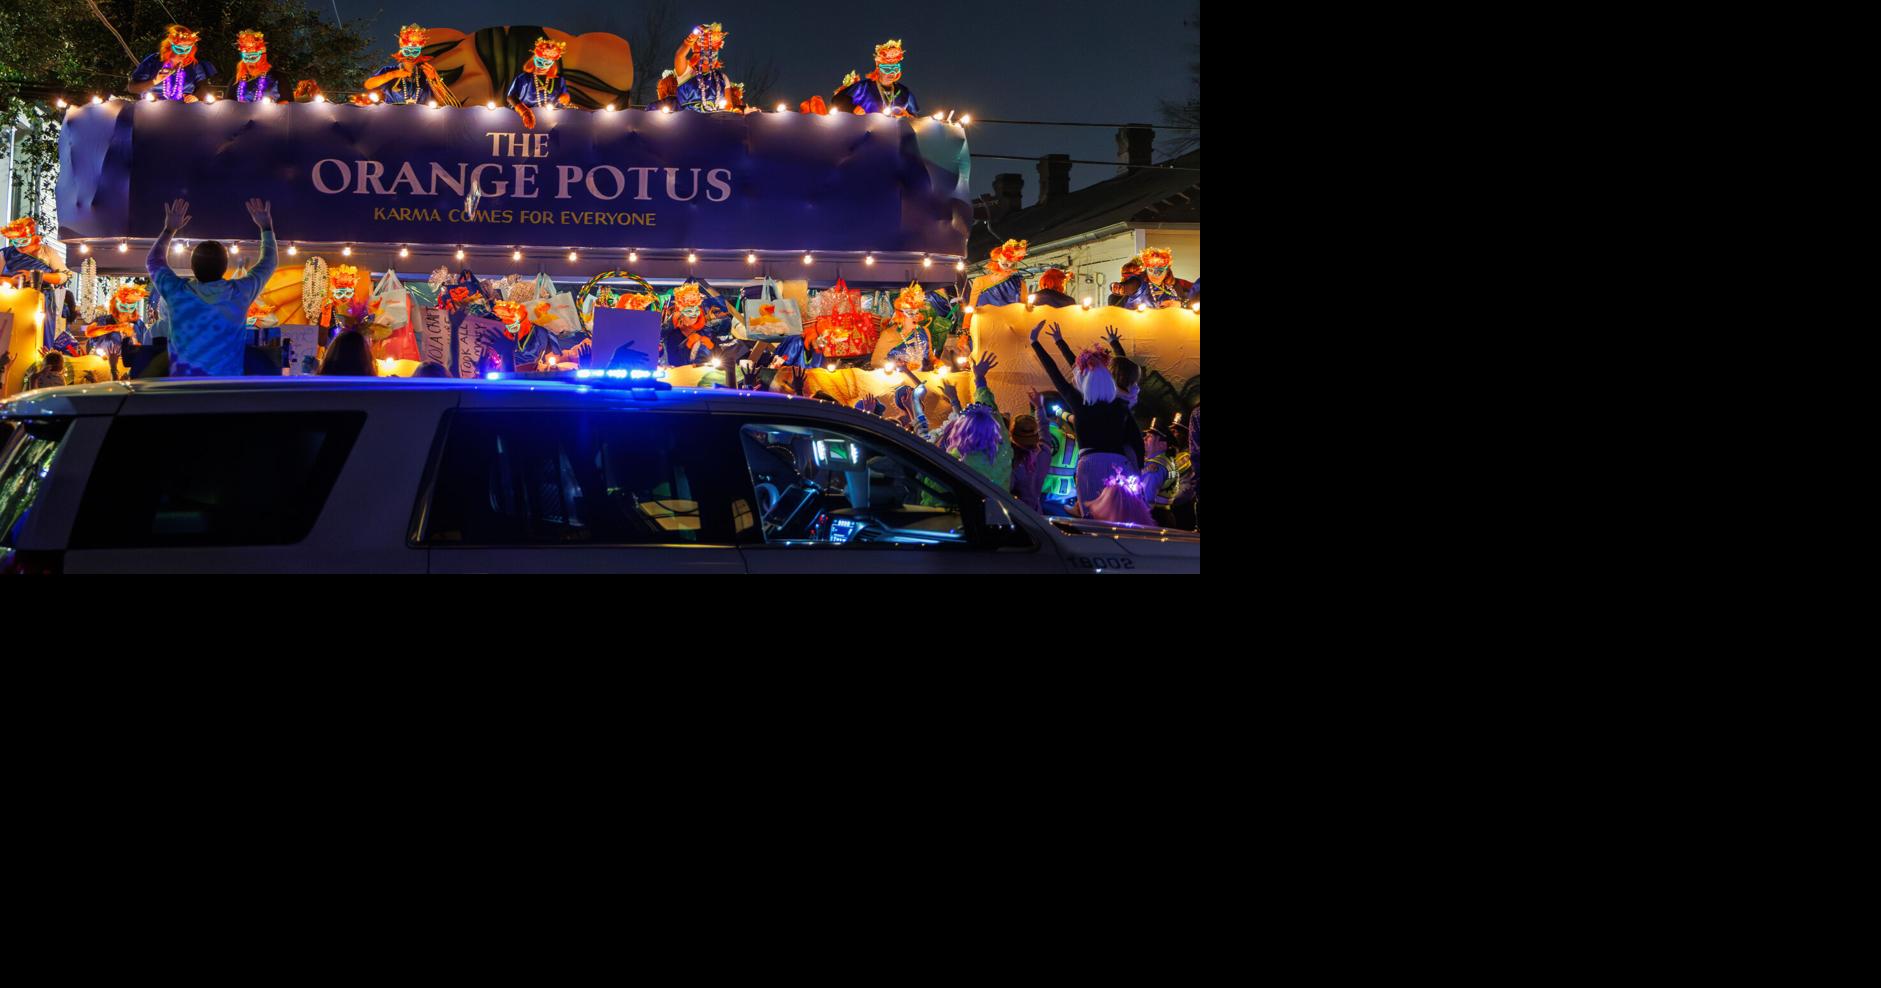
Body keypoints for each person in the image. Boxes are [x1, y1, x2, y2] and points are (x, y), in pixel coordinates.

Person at [147, 197, 277, 376]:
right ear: (224, 268)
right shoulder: (239, 294)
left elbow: (154, 262)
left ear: (192, 267)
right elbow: (269, 263)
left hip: (182, 393)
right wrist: (266, 228)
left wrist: (169, 229)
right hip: (226, 393)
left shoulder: (177, 293)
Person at [1029, 320, 1143, 514]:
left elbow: (1056, 374)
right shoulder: (1121, 406)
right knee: (1116, 517)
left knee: (1091, 519)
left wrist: (1035, 342)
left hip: (1090, 465)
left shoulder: (1079, 403)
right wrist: (1138, 469)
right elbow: (1136, 441)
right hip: (1119, 466)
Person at [930, 352, 1012, 489]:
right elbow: (988, 406)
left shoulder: (957, 459)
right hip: (997, 509)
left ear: (961, 431)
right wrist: (979, 379)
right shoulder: (1002, 446)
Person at [359, 24, 453, 106]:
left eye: (415, 51)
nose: (411, 55)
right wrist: (393, 74)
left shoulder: (426, 73)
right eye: (407, 51)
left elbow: (442, 100)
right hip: (393, 117)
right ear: (401, 52)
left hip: (423, 119)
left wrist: (433, 80)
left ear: (419, 53)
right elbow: (368, 85)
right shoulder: (389, 70)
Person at [127, 24, 216, 102]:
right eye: (179, 49)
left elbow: (204, 87)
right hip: (153, 110)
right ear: (169, 46)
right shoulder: (153, 61)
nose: (184, 53)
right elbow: (132, 88)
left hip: (185, 110)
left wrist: (195, 97)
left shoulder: (193, 65)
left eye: (187, 49)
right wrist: (155, 81)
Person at [831, 39, 920, 116]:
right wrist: (853, 108)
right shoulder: (864, 87)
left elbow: (915, 115)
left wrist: (908, 116)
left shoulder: (904, 92)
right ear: (878, 69)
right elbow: (837, 100)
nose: (892, 73)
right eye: (887, 69)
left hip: (894, 133)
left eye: (895, 69)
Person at [506, 37, 575, 129]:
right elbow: (511, 97)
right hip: (523, 122)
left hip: (551, 123)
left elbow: (564, 98)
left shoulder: (559, 80)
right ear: (533, 59)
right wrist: (524, 112)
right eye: (539, 62)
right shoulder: (524, 78)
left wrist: (565, 97)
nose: (542, 66)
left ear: (552, 64)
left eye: (547, 63)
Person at [230, 30, 282, 103]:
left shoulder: (276, 77)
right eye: (246, 57)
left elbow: (285, 104)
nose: (249, 62)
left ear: (262, 58)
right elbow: (228, 103)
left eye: (253, 57)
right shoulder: (236, 80)